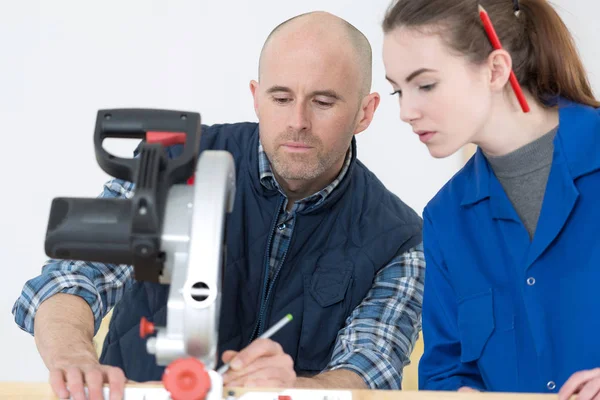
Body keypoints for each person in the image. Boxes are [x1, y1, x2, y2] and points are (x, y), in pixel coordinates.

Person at [13, 11, 425, 400]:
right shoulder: (173, 162)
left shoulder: (401, 239)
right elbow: (70, 279)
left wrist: (296, 387)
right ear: (256, 97)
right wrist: (75, 359)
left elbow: (372, 367)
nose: (298, 120)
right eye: (280, 98)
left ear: (365, 112)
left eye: (322, 102)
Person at [380, 0, 600, 397]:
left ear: (496, 70)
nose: (406, 111)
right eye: (398, 90)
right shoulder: (445, 218)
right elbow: (445, 370)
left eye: (425, 85)